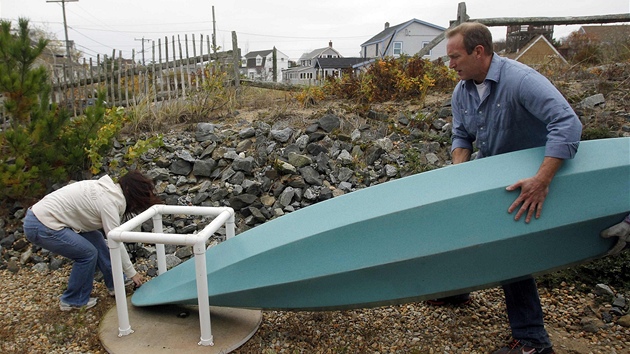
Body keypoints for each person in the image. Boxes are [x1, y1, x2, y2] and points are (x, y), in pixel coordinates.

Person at [444, 22, 582, 354]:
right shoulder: (462, 90)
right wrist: (458, 176)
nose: (451, 65)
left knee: (509, 247)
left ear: (479, 52)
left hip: (533, 178)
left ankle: (533, 340)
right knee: (466, 224)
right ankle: (458, 289)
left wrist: (542, 180)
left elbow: (568, 123)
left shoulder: (521, 81)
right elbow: (462, 136)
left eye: (455, 57)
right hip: (493, 173)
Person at [23, 171, 162, 311]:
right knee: (87, 254)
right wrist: (133, 273)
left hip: (44, 218)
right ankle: (73, 300)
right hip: (41, 224)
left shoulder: (108, 190)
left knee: (96, 239)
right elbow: (116, 241)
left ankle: (116, 283)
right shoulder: (110, 203)